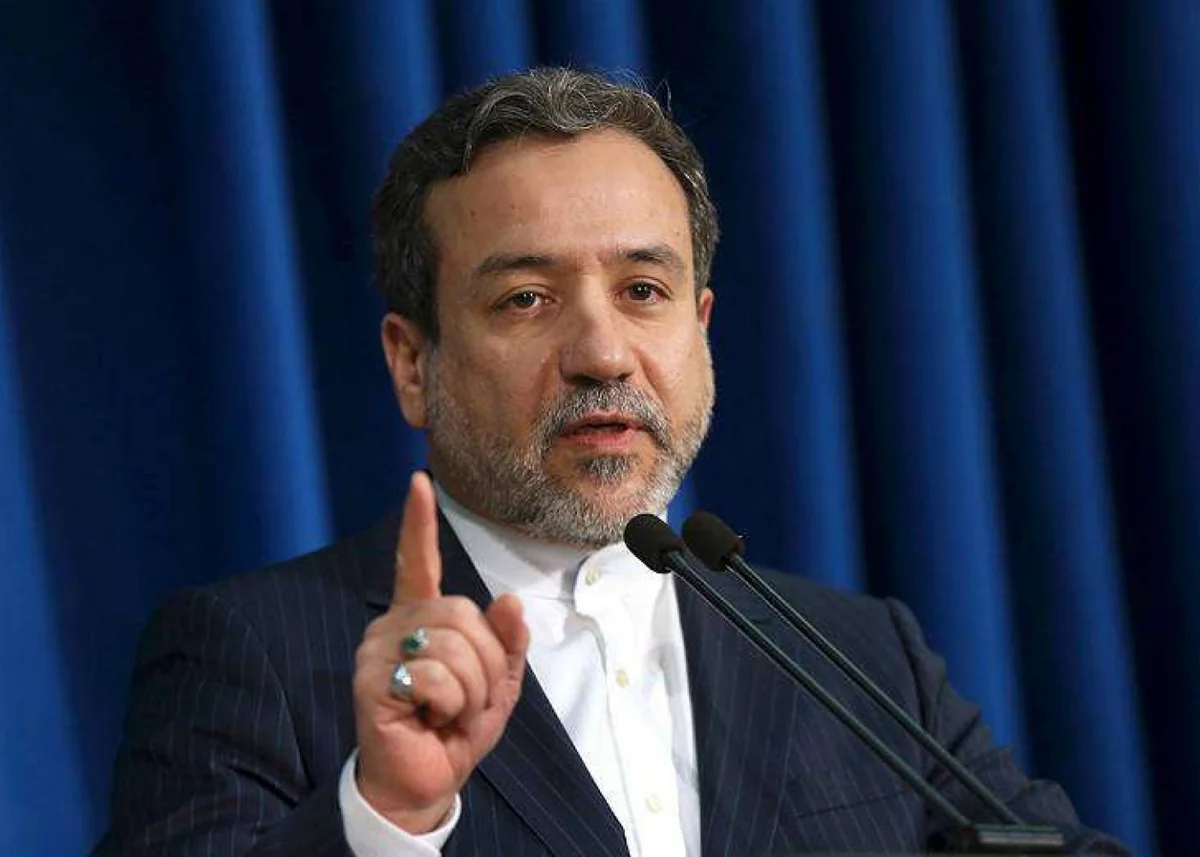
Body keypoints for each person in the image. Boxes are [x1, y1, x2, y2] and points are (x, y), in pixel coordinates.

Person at [96, 67, 1129, 856]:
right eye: (525, 299)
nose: (602, 352)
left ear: (701, 327)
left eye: (643, 290)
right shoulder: (256, 654)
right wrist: (384, 816)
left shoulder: (861, 657)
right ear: (413, 363)